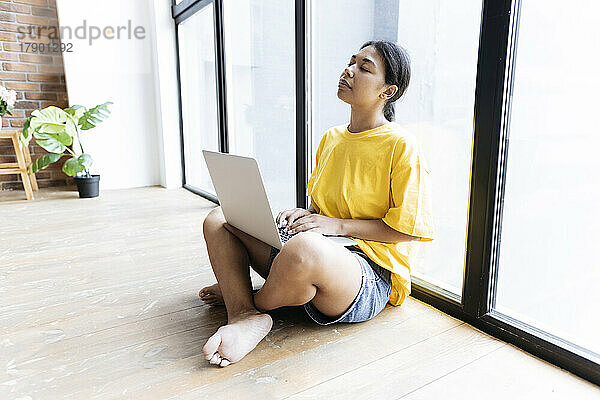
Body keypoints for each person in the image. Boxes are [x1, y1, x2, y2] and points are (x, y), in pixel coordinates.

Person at [199, 40, 435, 368]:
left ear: (388, 91)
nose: (349, 70)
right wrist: (306, 215)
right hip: (314, 250)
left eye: (364, 68)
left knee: (305, 249)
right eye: (351, 61)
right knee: (219, 217)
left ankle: (245, 296)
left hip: (366, 274)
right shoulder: (332, 138)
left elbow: (408, 231)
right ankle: (244, 314)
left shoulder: (401, 145)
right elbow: (324, 210)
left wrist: (332, 226)